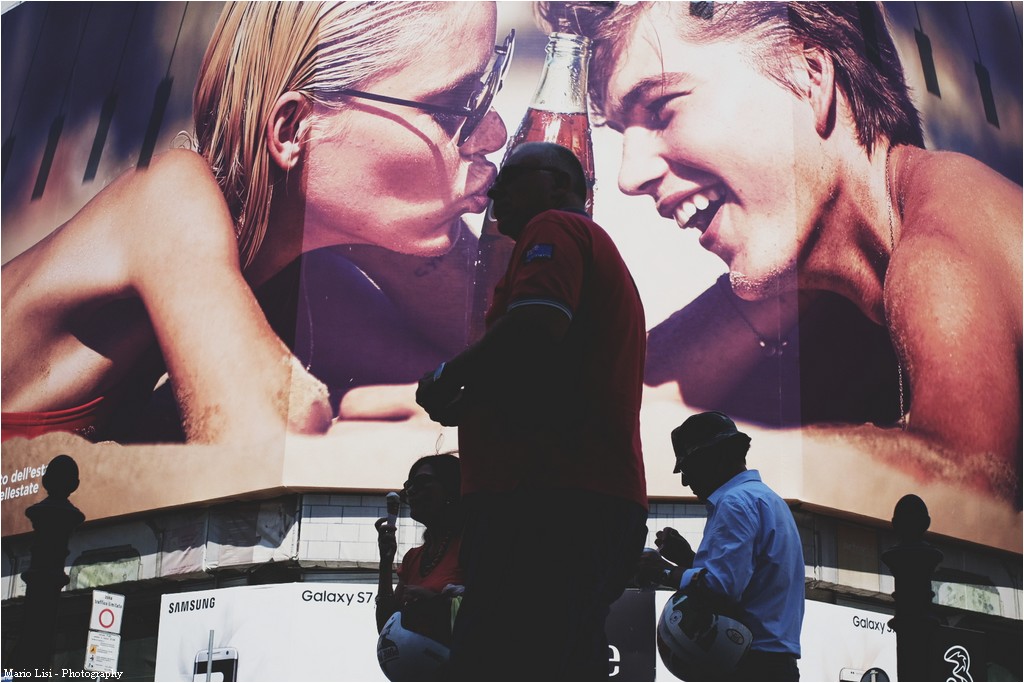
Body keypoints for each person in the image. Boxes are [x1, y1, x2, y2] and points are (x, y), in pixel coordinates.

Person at [546, 1, 1022, 506]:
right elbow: (607, 409)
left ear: (808, 75)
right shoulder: (820, 283)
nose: (629, 176)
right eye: (623, 133)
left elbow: (967, 486)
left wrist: (704, 460)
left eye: (661, 109)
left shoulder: (945, 233)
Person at [1, 2, 509, 442]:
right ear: (293, 130)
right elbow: (257, 437)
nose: (496, 134)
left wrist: (384, 234)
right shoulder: (166, 200)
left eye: (487, 93)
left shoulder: (294, 282)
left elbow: (499, 352)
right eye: (454, 108)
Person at [416, 141, 649, 681]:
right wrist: (476, 404)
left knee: (499, 661)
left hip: (545, 500)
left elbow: (535, 327)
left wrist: (447, 377)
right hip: (580, 499)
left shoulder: (555, 227)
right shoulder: (589, 249)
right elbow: (544, 368)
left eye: (511, 178)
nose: (495, 192)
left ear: (560, 184)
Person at [637, 411, 804, 681]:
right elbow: (744, 583)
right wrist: (688, 559)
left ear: (713, 458)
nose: (685, 481)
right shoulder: (768, 500)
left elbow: (721, 589)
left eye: (687, 468)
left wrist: (663, 571)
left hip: (749, 667)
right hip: (774, 664)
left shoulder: (734, 503)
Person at [375, 453, 464, 640]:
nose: (412, 491)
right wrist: (385, 564)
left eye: (422, 482)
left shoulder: (470, 546)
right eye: (409, 485)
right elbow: (386, 627)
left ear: (451, 488)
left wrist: (433, 602)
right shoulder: (412, 558)